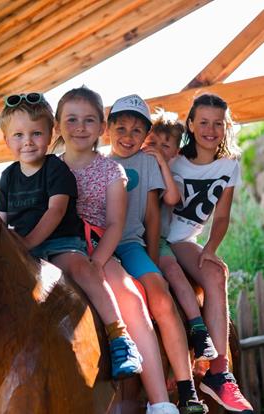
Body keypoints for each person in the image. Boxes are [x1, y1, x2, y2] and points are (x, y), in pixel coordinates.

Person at [0, 92, 142, 380]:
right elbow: (0, 222)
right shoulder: (8, 177)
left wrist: (25, 244)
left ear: (51, 134)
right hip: (26, 250)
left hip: (60, 243)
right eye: (18, 135)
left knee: (83, 271)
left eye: (36, 133)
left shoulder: (56, 168)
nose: (28, 141)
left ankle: (119, 337)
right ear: (6, 140)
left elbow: (56, 211)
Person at [54, 87, 179, 414]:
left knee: (131, 298)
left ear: (99, 128)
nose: (81, 127)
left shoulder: (112, 171)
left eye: (89, 120)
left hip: (97, 247)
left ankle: (160, 402)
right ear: (58, 125)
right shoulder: (46, 167)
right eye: (72, 119)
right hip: (53, 247)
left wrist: (97, 260)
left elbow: (114, 224)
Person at [107, 94, 207, 413]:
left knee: (161, 297)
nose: (127, 136)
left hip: (130, 245)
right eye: (120, 127)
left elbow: (152, 216)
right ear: (108, 128)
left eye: (137, 131)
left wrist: (151, 261)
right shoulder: (99, 162)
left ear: (145, 135)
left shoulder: (148, 162)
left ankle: (185, 386)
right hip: (98, 248)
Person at [167, 94, 254, 413]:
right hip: (155, 238)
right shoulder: (174, 158)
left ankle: (220, 374)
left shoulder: (229, 164)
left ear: (226, 127)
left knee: (217, 272)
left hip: (184, 240)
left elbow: (221, 216)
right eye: (203, 121)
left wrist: (212, 250)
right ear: (190, 124)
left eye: (218, 123)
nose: (210, 129)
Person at [142, 110, 218, 362]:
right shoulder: (132, 167)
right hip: (131, 241)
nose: (158, 149)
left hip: (160, 242)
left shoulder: (173, 176)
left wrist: (162, 165)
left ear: (174, 153)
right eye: (153, 143)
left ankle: (198, 328)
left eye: (166, 146)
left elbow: (172, 198)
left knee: (173, 273)